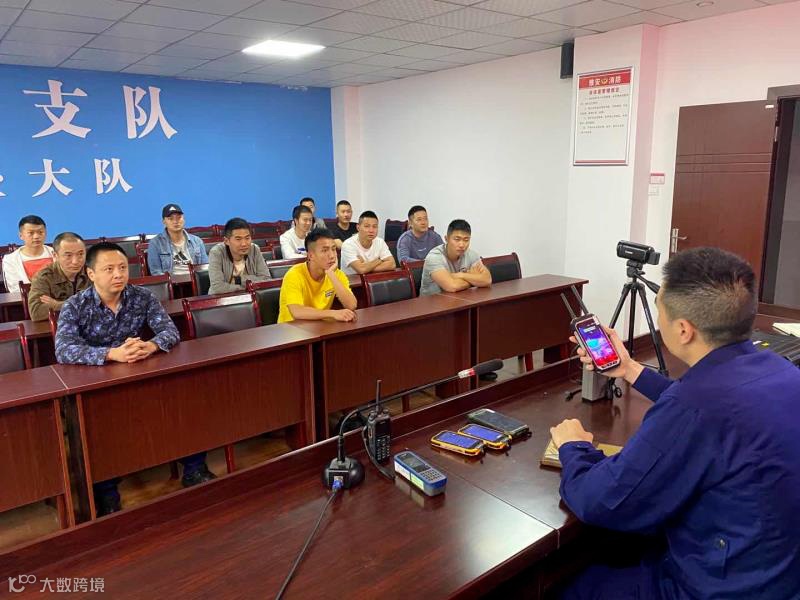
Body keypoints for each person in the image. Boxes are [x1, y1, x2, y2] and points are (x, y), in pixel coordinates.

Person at [551, 247, 800, 600]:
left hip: (721, 587)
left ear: (683, 330)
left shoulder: (695, 406)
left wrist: (573, 446)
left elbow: (602, 501)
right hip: (778, 572)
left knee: (571, 586)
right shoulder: (780, 370)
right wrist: (630, 369)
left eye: (660, 310)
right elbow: (712, 402)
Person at [55, 242, 213, 515]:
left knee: (182, 402)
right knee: (98, 426)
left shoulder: (142, 297)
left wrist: (150, 346)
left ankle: (194, 468)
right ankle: (106, 493)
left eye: (122, 268)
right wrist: (111, 354)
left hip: (141, 373)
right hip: (100, 384)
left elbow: (170, 331)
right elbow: (63, 349)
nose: (118, 274)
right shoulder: (75, 306)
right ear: (91, 274)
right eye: (109, 269)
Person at [278, 229, 357, 323]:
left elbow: (352, 305)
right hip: (291, 328)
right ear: (311, 256)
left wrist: (331, 274)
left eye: (333, 249)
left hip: (318, 327)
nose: (332, 255)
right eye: (325, 250)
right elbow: (297, 312)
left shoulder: (336, 273)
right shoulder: (294, 274)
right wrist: (332, 313)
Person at [28, 232, 90, 321]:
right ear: (55, 255)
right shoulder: (44, 277)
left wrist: (57, 305)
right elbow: (36, 312)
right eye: (68, 255)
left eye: (80, 254)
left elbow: (106, 301)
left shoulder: (92, 271)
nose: (75, 261)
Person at [419, 219, 491, 295]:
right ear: (446, 239)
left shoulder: (471, 254)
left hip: (459, 298)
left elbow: (487, 280)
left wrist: (461, 275)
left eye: (466, 240)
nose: (461, 245)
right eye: (457, 239)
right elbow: (452, 286)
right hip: (432, 301)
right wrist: (474, 280)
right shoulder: (434, 257)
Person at [208, 217, 269, 294]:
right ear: (226, 241)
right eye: (238, 239)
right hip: (223, 299)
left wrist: (238, 280)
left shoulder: (254, 249)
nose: (244, 244)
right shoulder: (216, 253)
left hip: (251, 297)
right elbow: (217, 287)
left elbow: (266, 279)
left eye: (247, 238)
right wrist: (249, 286)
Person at [147, 204, 208, 276]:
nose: (175, 221)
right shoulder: (155, 243)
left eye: (179, 218)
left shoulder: (197, 241)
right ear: (164, 222)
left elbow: (205, 268)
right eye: (171, 219)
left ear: (184, 219)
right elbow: (156, 272)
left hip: (195, 280)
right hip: (171, 282)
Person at [3, 215, 55, 293]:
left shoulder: (56, 253)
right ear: (21, 235)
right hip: (26, 299)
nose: (36, 236)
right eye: (31, 233)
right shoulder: (10, 260)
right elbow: (15, 289)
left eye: (40, 232)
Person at [340, 211, 396, 276]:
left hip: (373, 280)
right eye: (367, 226)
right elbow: (361, 269)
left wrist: (366, 267)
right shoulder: (348, 244)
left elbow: (392, 264)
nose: (371, 230)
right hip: (352, 281)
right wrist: (379, 260)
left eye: (374, 226)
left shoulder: (380, 242)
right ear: (358, 227)